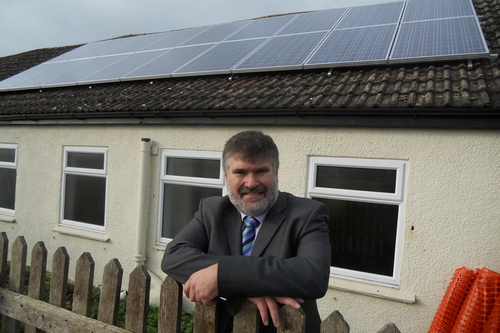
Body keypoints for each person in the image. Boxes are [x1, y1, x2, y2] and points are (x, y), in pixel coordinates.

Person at [161, 130, 331, 333]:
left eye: (260, 171)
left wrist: (221, 275)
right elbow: (174, 256)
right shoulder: (211, 210)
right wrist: (247, 286)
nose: (251, 183)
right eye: (240, 172)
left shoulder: (307, 214)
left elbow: (313, 276)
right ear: (226, 177)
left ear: (275, 174)